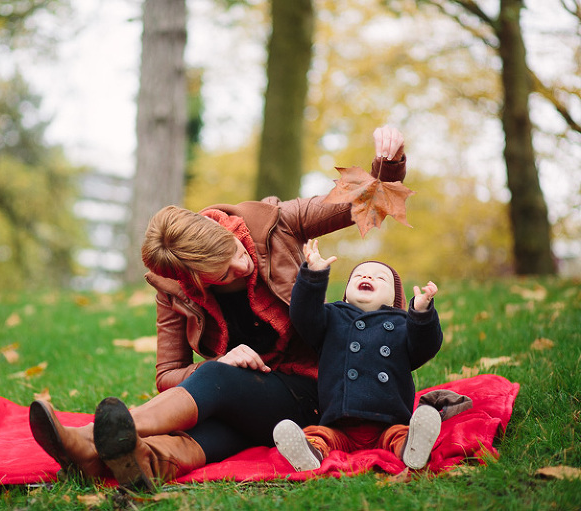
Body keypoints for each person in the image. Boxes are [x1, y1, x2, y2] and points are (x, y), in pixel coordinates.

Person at [29, 126, 408, 491]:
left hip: (317, 399)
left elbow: (363, 203)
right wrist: (220, 362)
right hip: (254, 406)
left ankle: (86, 440)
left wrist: (386, 164)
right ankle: (141, 462)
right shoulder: (176, 292)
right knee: (216, 406)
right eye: (224, 273)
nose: (242, 267)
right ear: (195, 280)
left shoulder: (276, 224)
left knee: (217, 382)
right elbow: (168, 375)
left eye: (235, 253)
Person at [272, 239, 443, 472]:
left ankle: (412, 448)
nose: (368, 277)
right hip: (339, 421)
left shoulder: (402, 324)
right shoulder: (331, 317)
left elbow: (425, 347)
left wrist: (421, 315)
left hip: (389, 419)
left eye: (380, 278)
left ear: (395, 301)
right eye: (359, 275)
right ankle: (309, 452)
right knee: (320, 436)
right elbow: (304, 316)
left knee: (399, 435)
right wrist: (313, 276)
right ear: (345, 295)